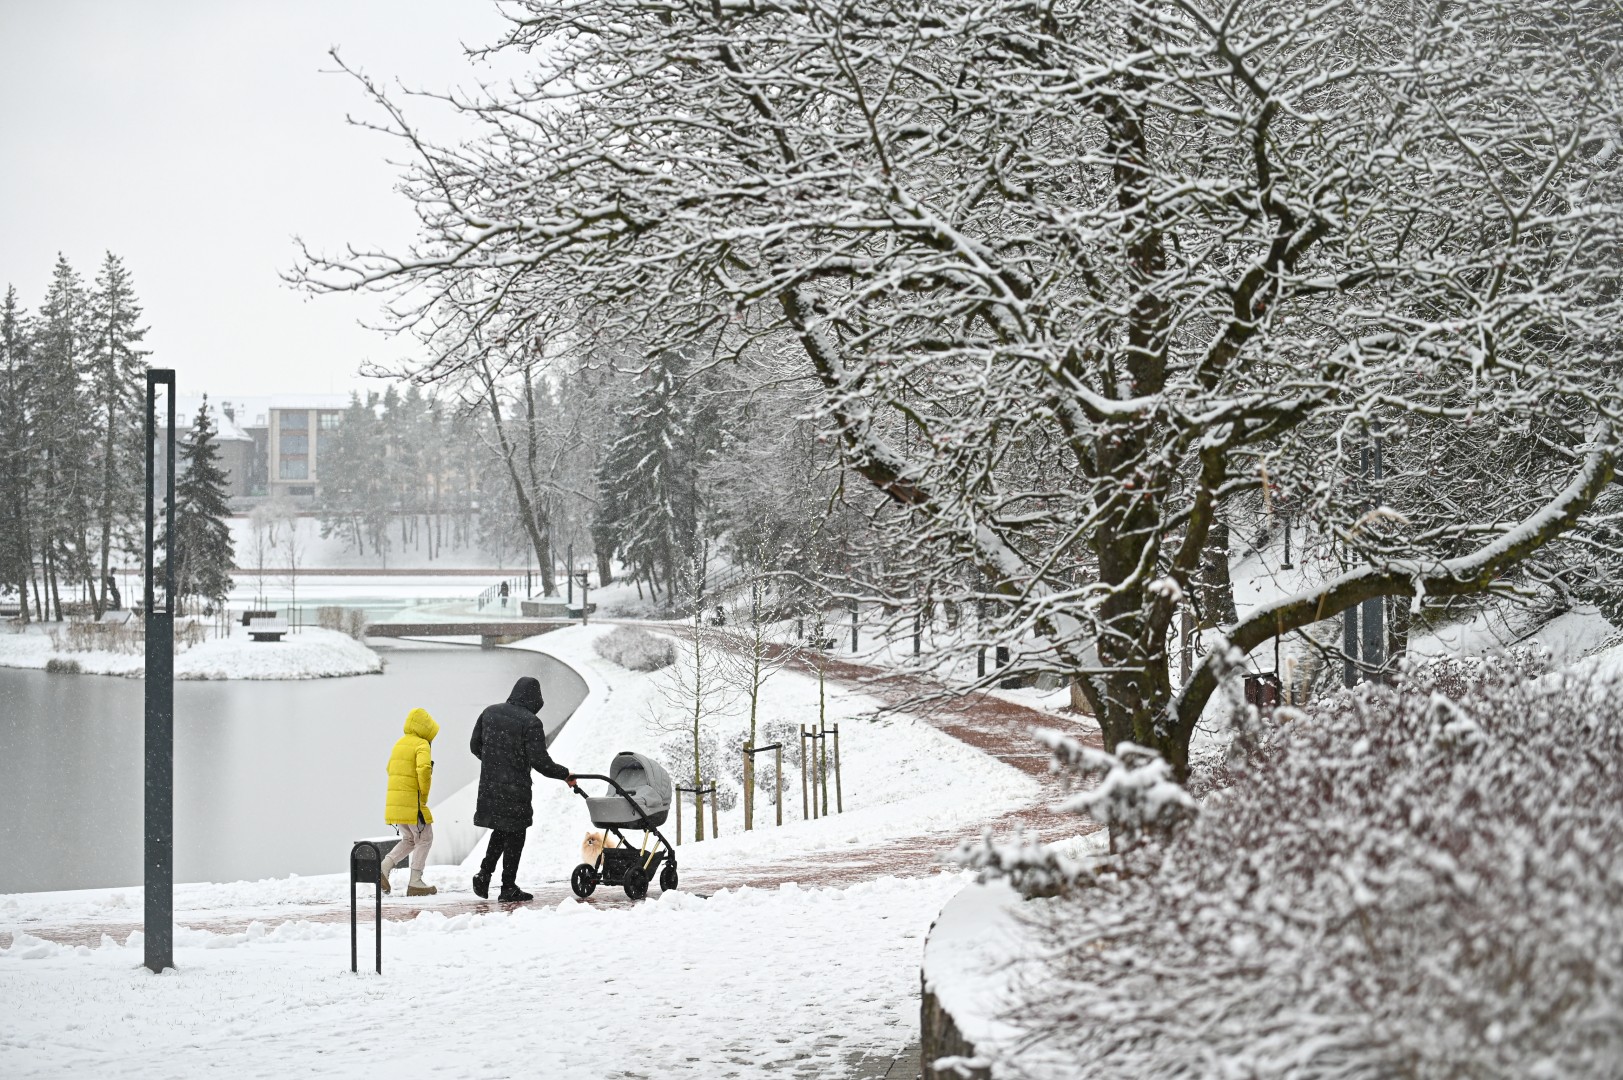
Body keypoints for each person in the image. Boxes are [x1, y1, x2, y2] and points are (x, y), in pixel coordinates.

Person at [470, 676, 574, 902]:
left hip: (490, 786)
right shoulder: (530, 722)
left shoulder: (490, 712)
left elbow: (474, 746)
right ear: (535, 699)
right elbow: (540, 762)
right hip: (515, 789)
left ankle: (484, 874)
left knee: (501, 829)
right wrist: (565, 774)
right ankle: (508, 887)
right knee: (515, 834)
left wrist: (493, 763)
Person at [381, 707, 439, 896]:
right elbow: (423, 770)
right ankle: (415, 881)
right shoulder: (422, 745)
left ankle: (384, 867)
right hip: (412, 802)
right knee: (425, 838)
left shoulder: (400, 744)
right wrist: (424, 793)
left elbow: (390, 769)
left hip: (396, 802)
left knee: (410, 839)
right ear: (426, 728)